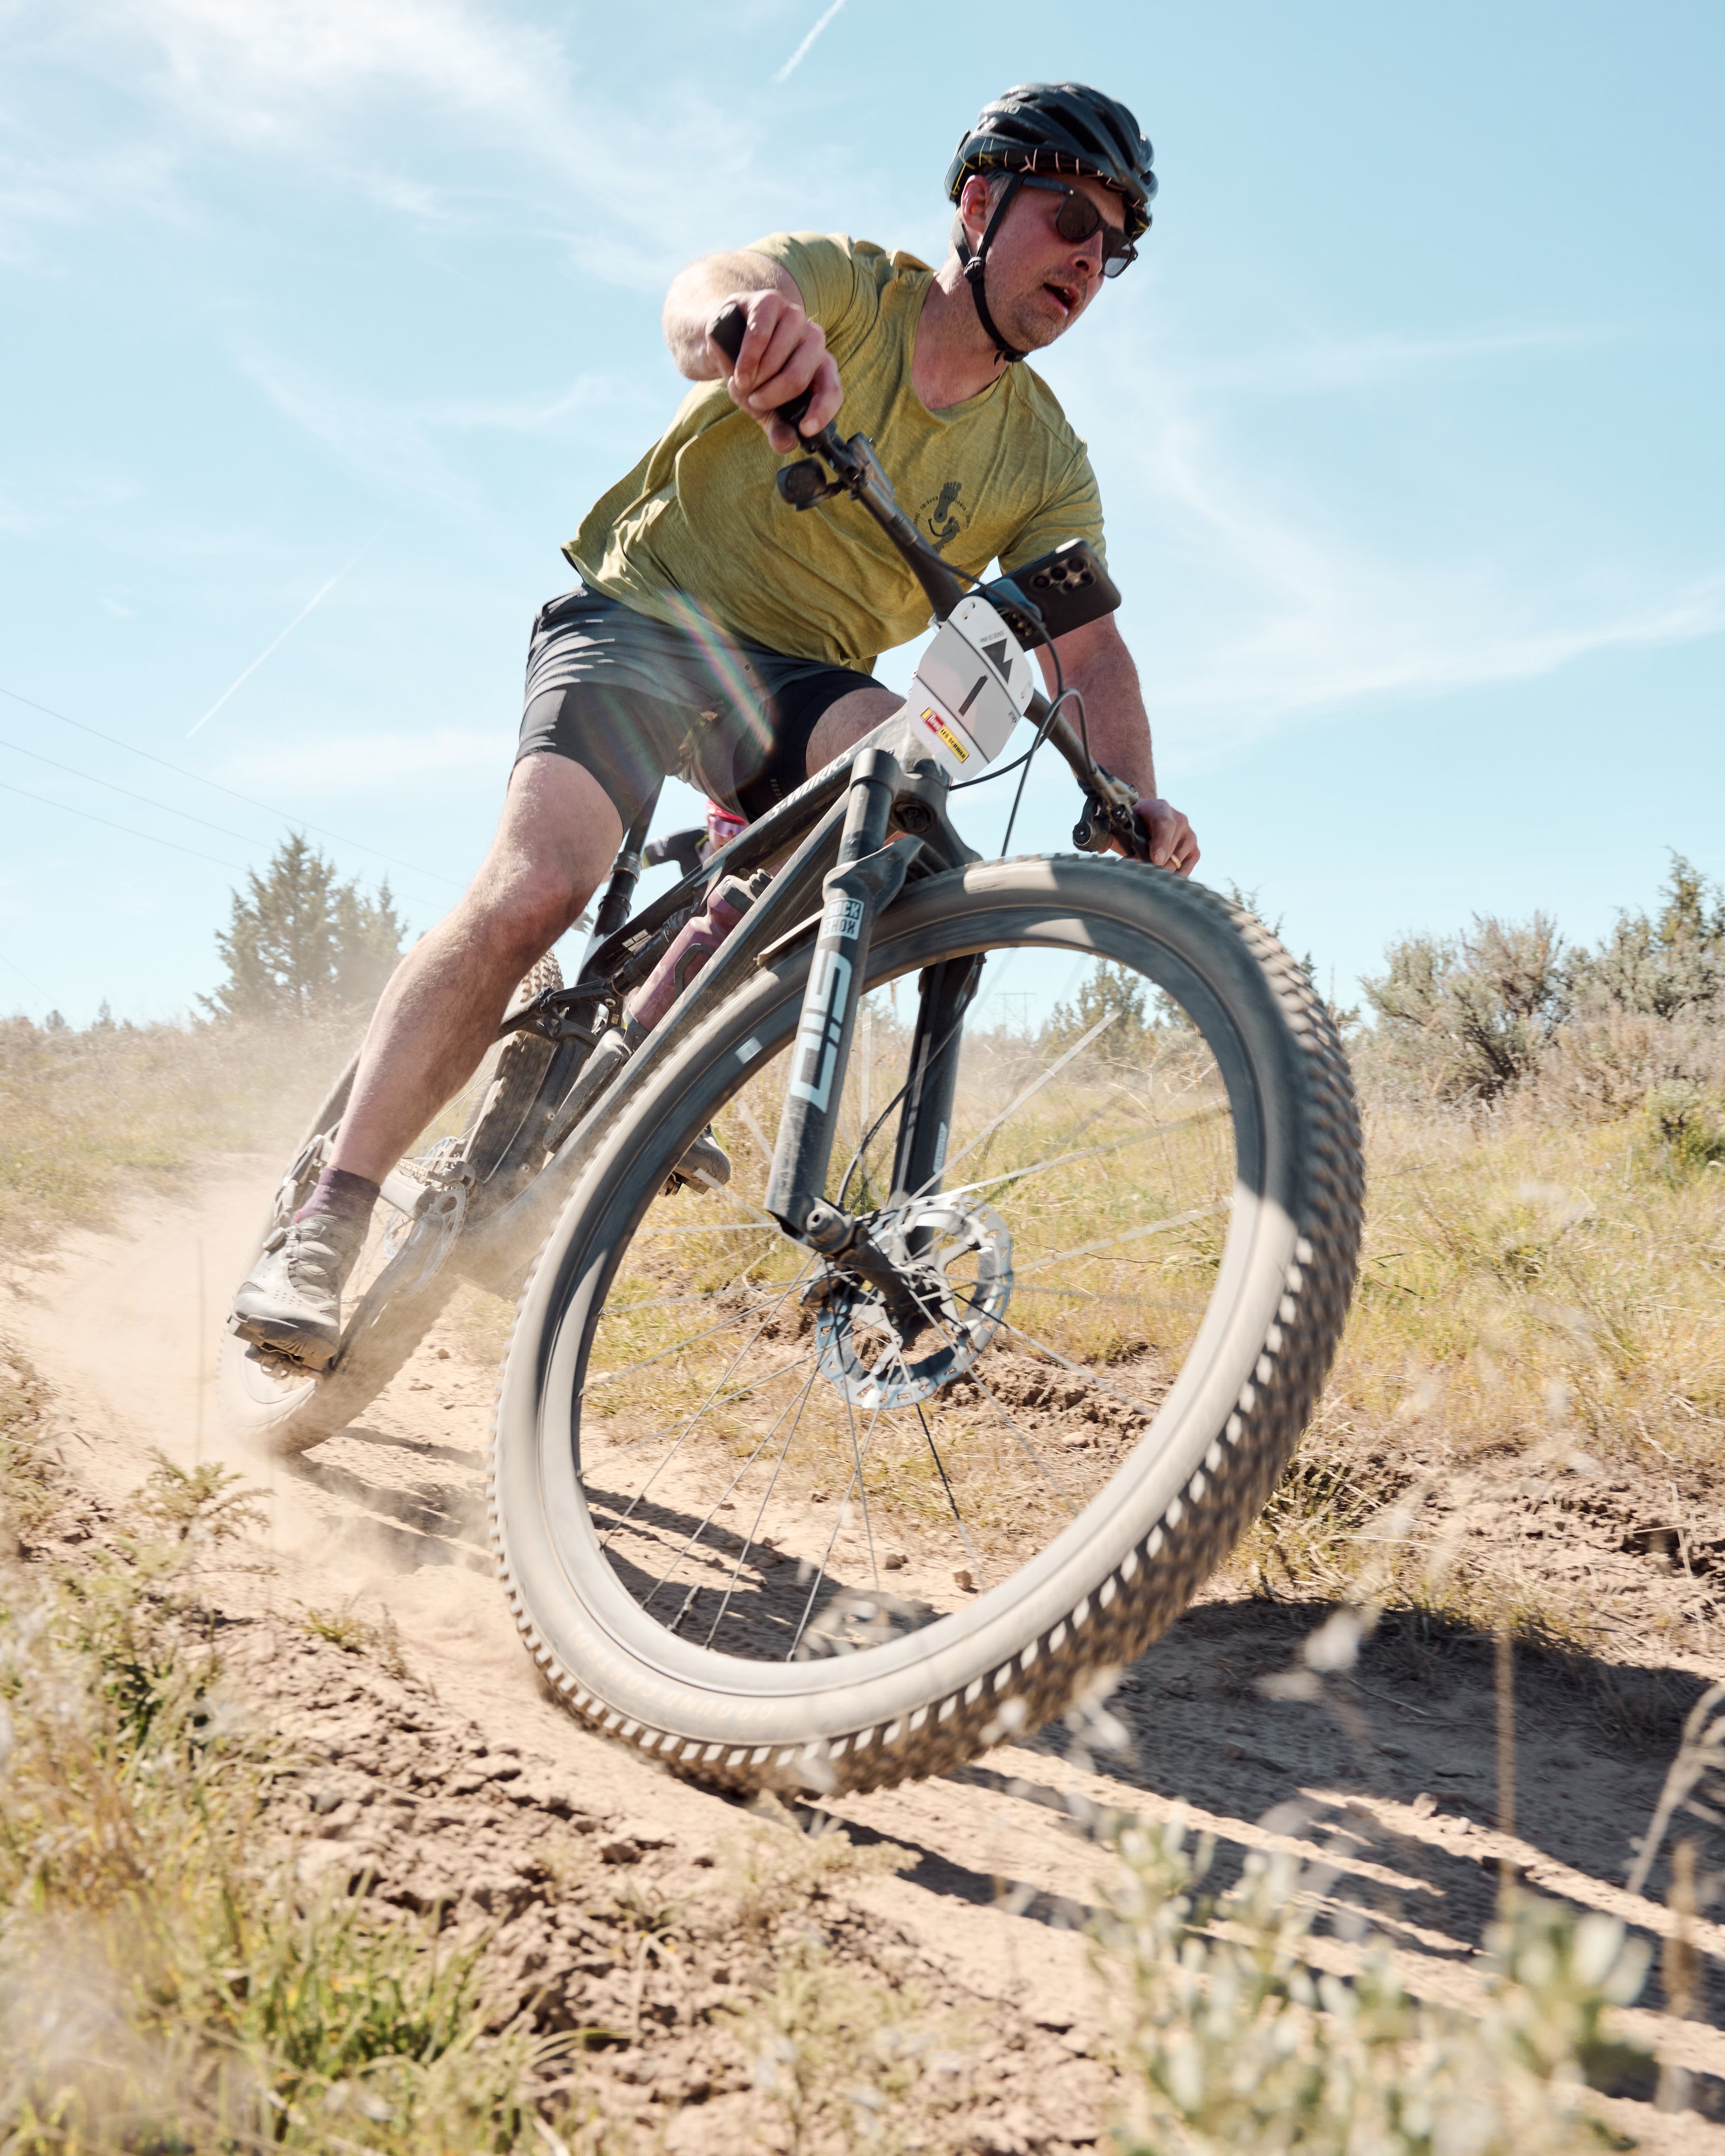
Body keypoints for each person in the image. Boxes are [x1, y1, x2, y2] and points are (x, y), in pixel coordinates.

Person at [230, 80, 1201, 1372]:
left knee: (902, 787)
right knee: (538, 887)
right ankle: (325, 1216)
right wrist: (743, 328)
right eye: (1069, 216)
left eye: (1113, 246)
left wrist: (1129, 794)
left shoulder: (1043, 458)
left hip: (791, 680)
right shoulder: (850, 289)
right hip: (642, 616)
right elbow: (711, 289)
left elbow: (1088, 647)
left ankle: (647, 1052)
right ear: (978, 203)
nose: (1088, 257)